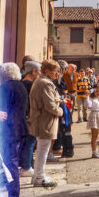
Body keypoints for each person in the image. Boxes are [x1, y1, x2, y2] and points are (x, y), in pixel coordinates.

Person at [0, 62, 28, 197]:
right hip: (20, 128)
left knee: (9, 165)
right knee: (12, 163)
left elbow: (1, 111)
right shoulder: (21, 86)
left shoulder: (3, 88)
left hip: (7, 130)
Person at [28, 60, 64, 188]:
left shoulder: (40, 81)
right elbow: (50, 106)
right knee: (43, 149)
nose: (57, 73)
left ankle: (37, 175)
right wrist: (60, 111)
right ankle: (40, 177)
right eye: (55, 70)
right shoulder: (45, 83)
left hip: (40, 119)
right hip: (45, 121)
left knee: (40, 150)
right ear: (47, 70)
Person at [19, 61, 41, 177]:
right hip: (29, 117)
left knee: (27, 142)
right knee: (30, 142)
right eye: (39, 71)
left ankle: (25, 166)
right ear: (33, 71)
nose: (40, 73)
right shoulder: (30, 84)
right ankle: (27, 167)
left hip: (23, 116)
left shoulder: (21, 82)